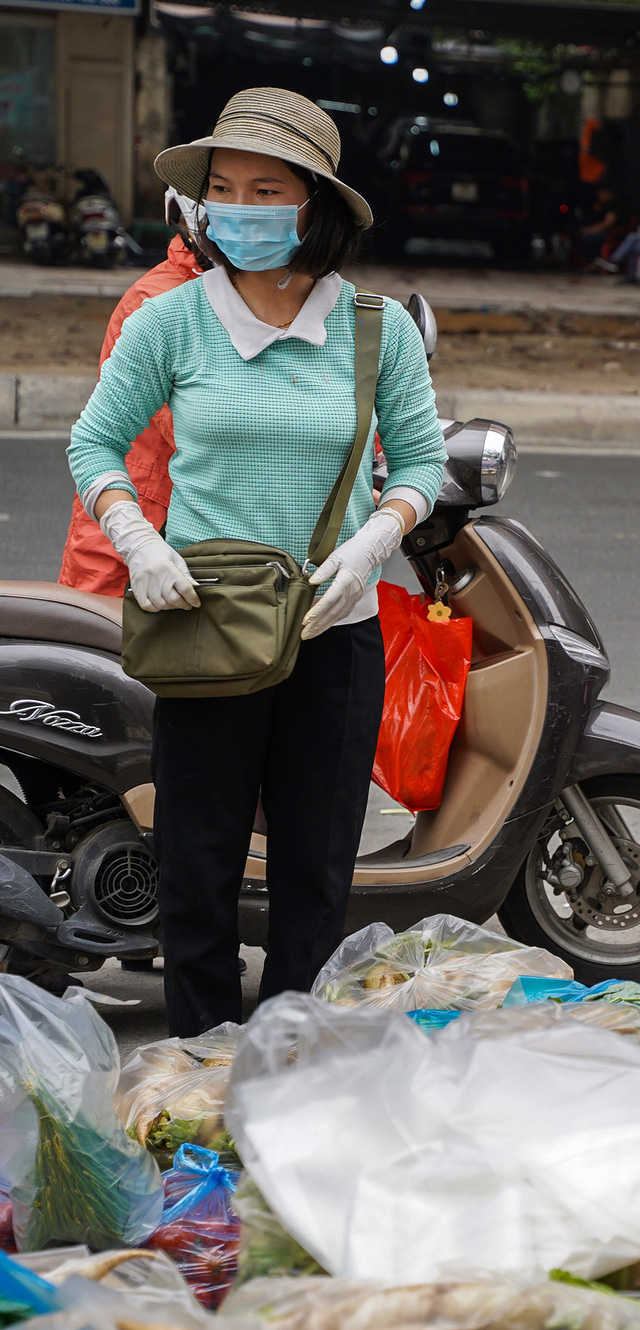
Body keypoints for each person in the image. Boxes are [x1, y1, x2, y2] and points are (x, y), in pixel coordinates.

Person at [65, 88, 447, 1034]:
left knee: (317, 872)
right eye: (222, 189)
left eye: (263, 189)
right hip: (204, 625)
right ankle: (196, 1061)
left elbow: (426, 460)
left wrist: (374, 543)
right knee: (198, 863)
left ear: (312, 204)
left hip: (335, 629)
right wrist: (138, 542)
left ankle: (289, 1056)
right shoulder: (172, 322)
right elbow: (94, 444)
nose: (236, 208)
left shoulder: (376, 329)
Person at [56, 189, 211, 595]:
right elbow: (196, 423)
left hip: (188, 506)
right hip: (136, 506)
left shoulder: (251, 295)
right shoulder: (160, 299)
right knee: (100, 643)